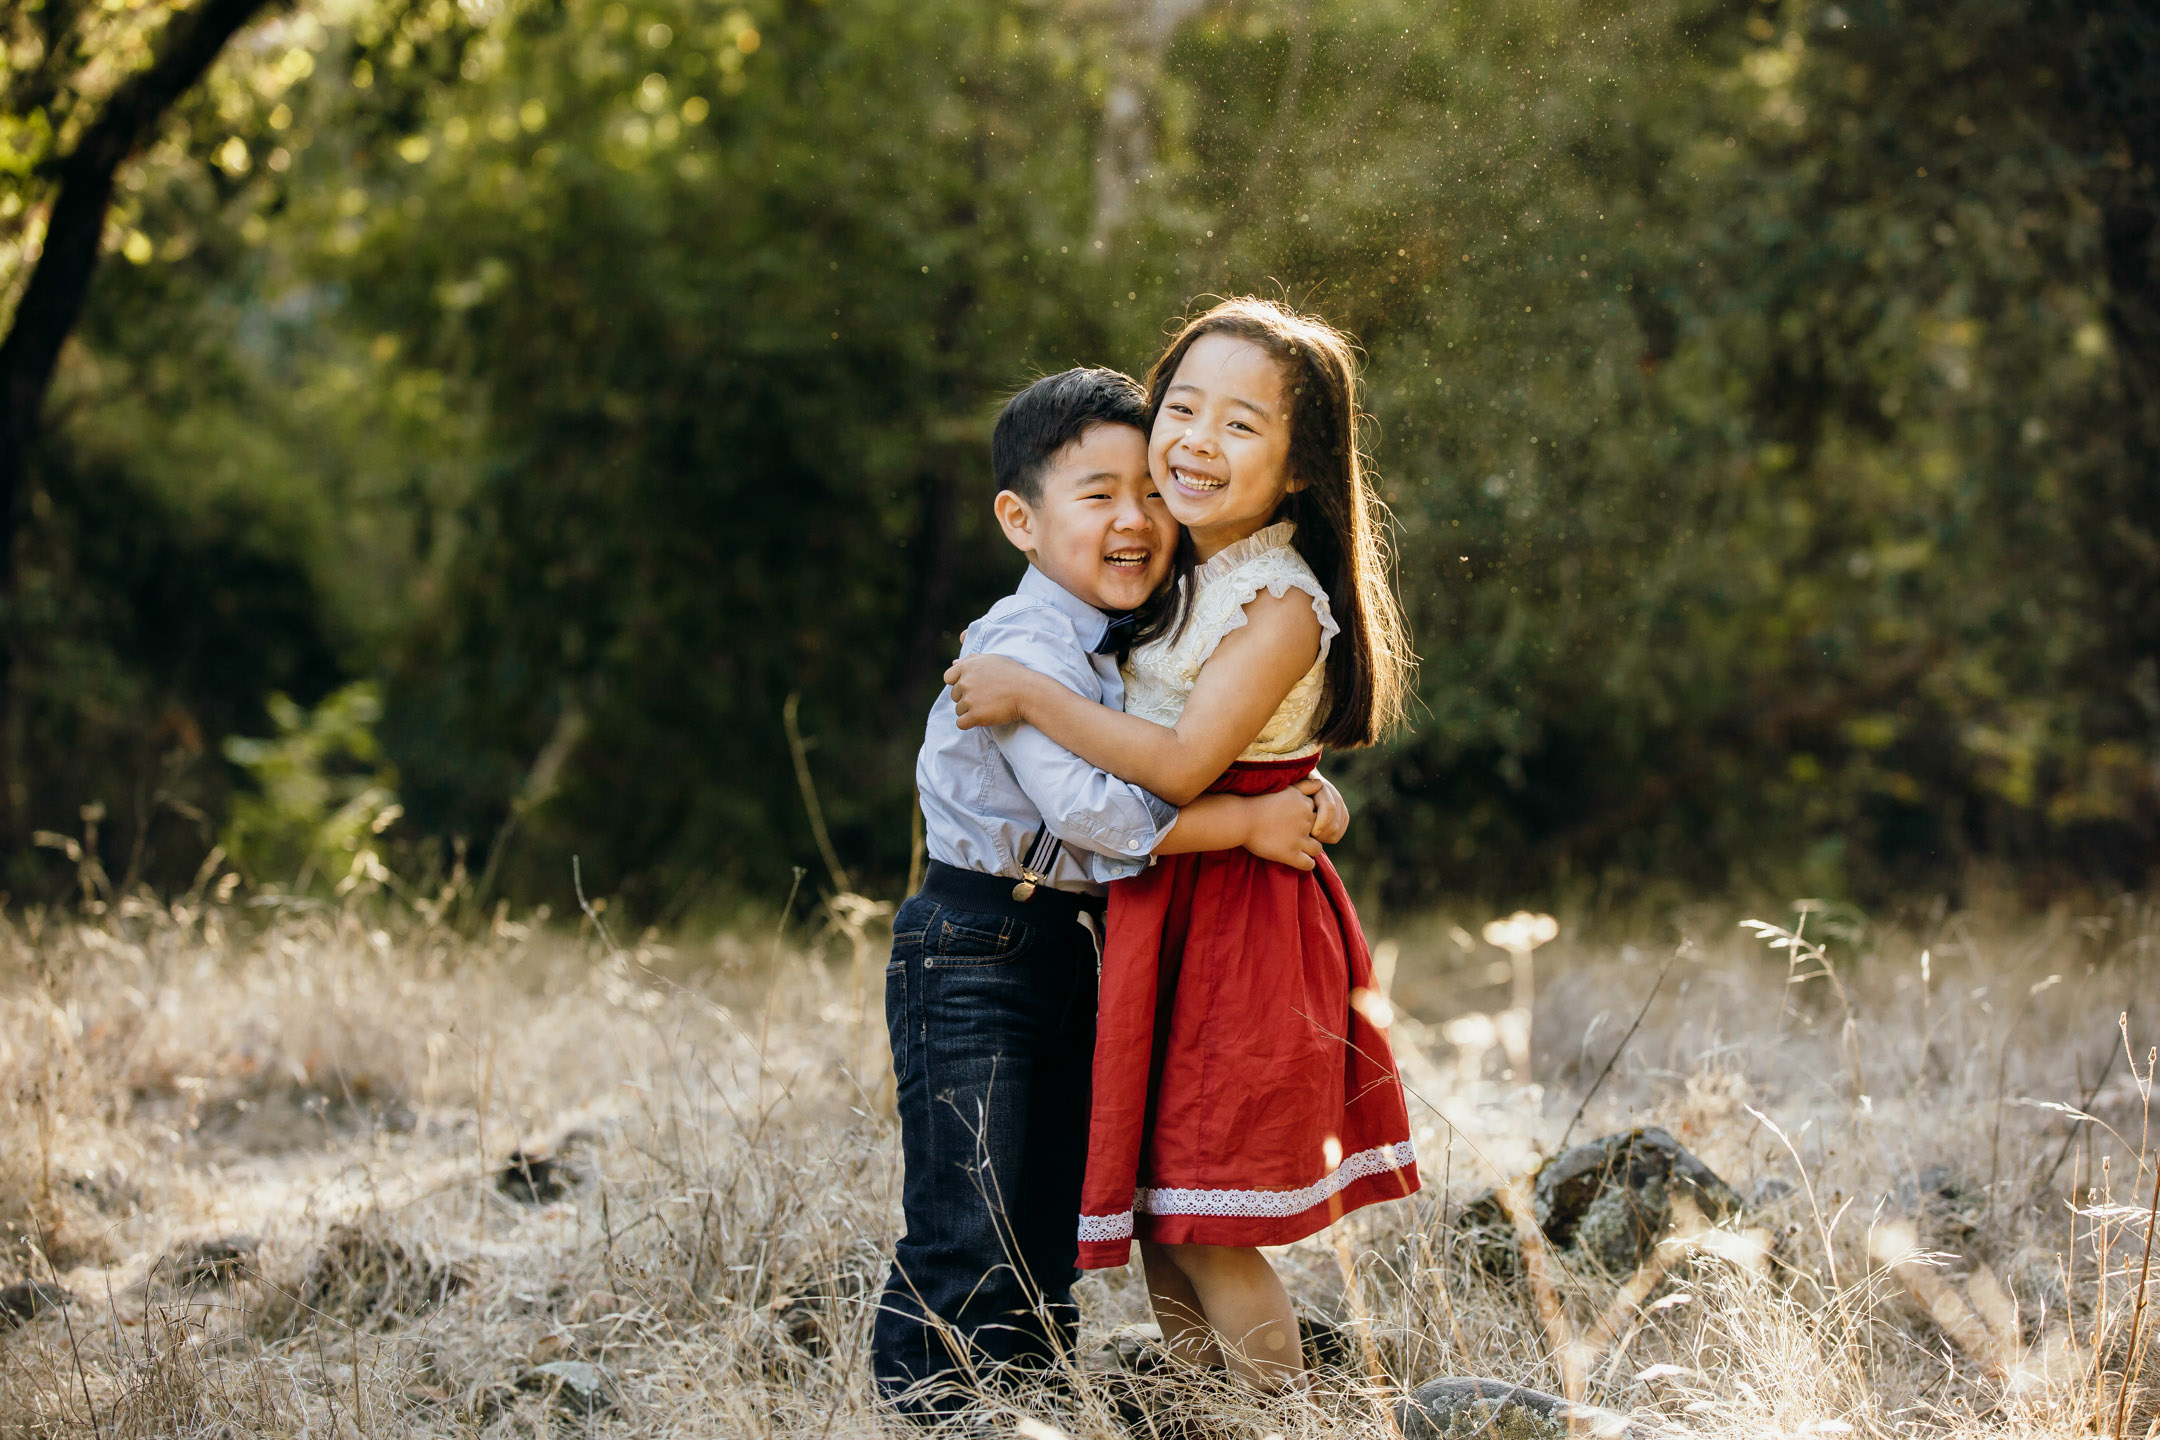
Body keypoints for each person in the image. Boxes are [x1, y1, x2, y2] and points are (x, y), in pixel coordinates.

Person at [944, 300, 1420, 1389]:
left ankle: (1278, 1412)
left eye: (1242, 425)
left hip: (1238, 922)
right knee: (1168, 1208)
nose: (1199, 440)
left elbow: (1176, 764)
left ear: (1301, 467)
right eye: (1184, 407)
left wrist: (1028, 696)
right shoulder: (1180, 573)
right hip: (1169, 906)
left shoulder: (1278, 599)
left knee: (1209, 1218)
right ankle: (1211, 1413)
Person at [873, 365, 1350, 1414]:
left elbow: (1205, 730)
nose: (1134, 520)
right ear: (1020, 518)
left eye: (1149, 495)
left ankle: (1032, 1410)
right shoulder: (1018, 649)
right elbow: (1092, 814)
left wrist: (1300, 788)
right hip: (976, 943)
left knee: (1050, 1218)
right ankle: (940, 1414)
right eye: (1098, 497)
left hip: (1086, 950)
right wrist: (1245, 824)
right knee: (971, 1213)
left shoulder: (1136, 639)